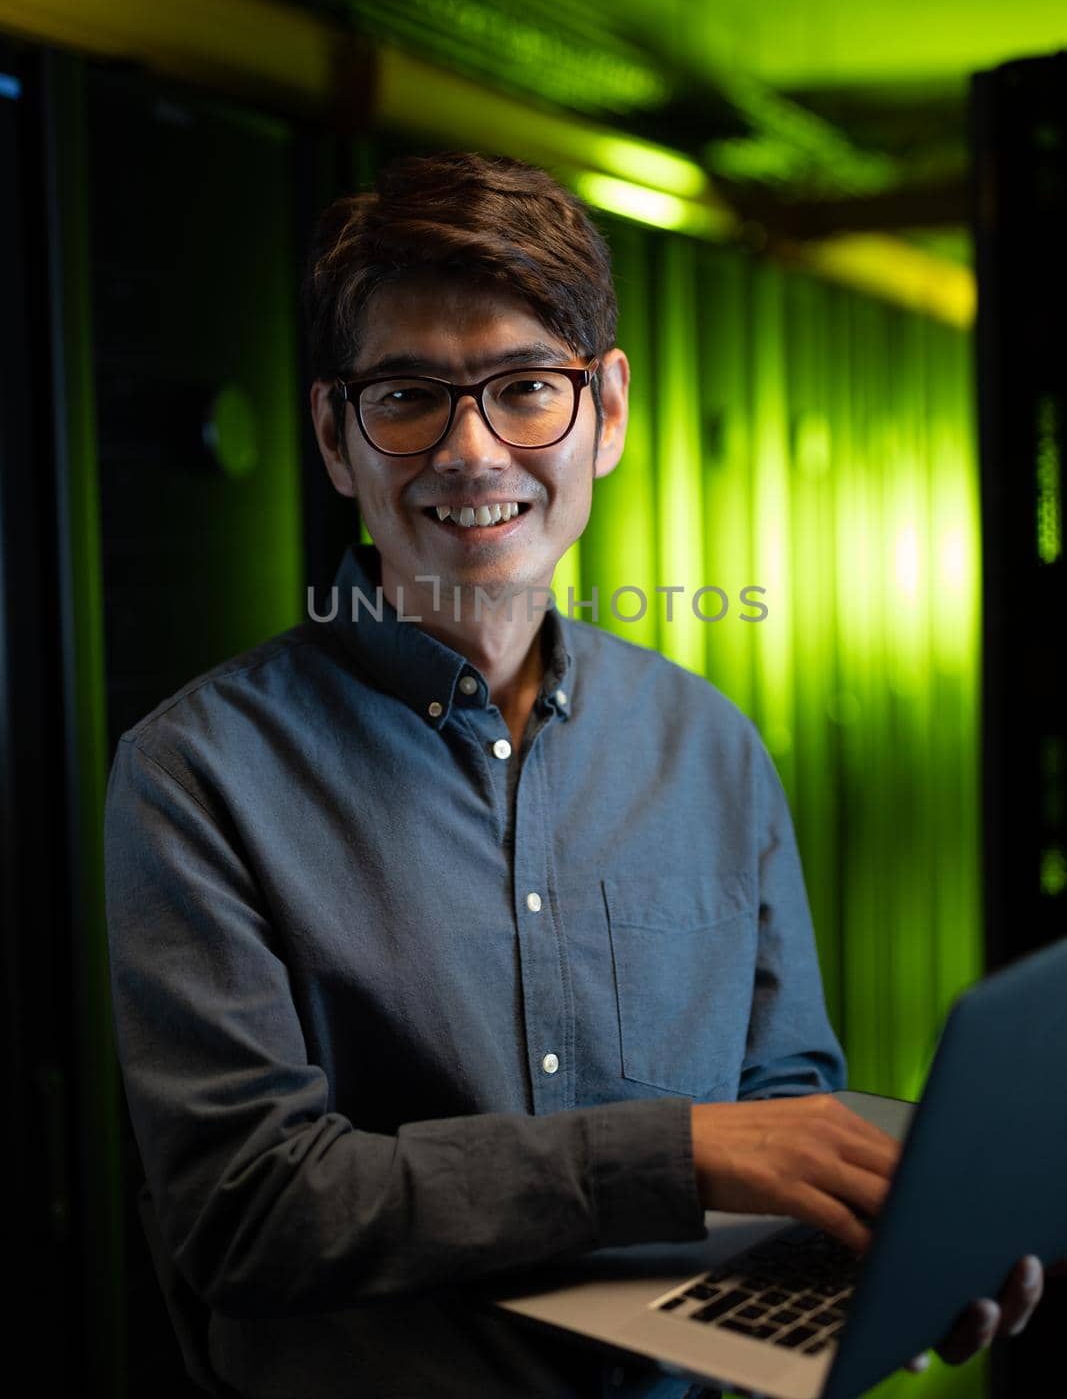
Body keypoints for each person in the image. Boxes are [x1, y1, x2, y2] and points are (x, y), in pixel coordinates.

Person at [104, 151, 1046, 1399]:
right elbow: (247, 1207)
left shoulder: (709, 746)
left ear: (603, 411)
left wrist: (886, 1244)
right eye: (406, 397)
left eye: (524, 389)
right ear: (336, 437)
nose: (471, 450)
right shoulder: (197, 775)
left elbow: (780, 1103)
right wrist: (672, 1155)